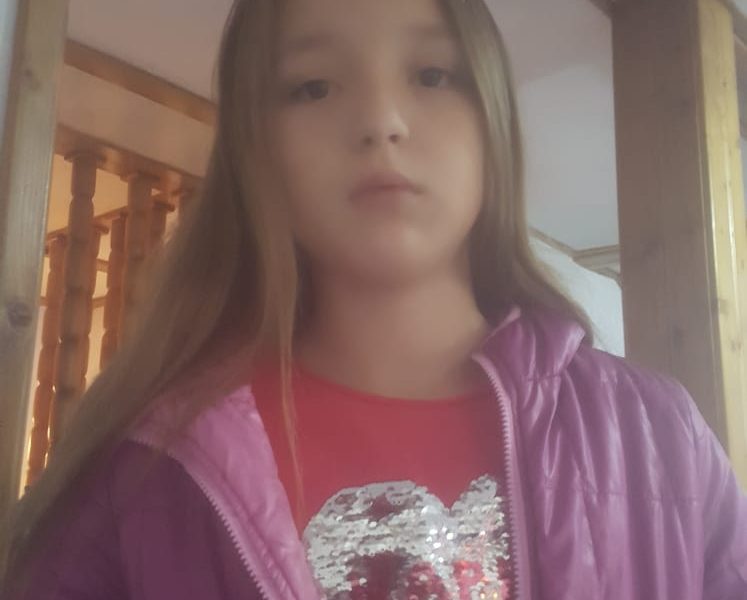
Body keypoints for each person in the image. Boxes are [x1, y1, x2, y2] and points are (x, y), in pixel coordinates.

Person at [2, 0, 746, 598]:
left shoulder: (658, 435)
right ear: (254, 151)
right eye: (313, 87)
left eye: (432, 74)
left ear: (492, 122)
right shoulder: (146, 468)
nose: (380, 121)